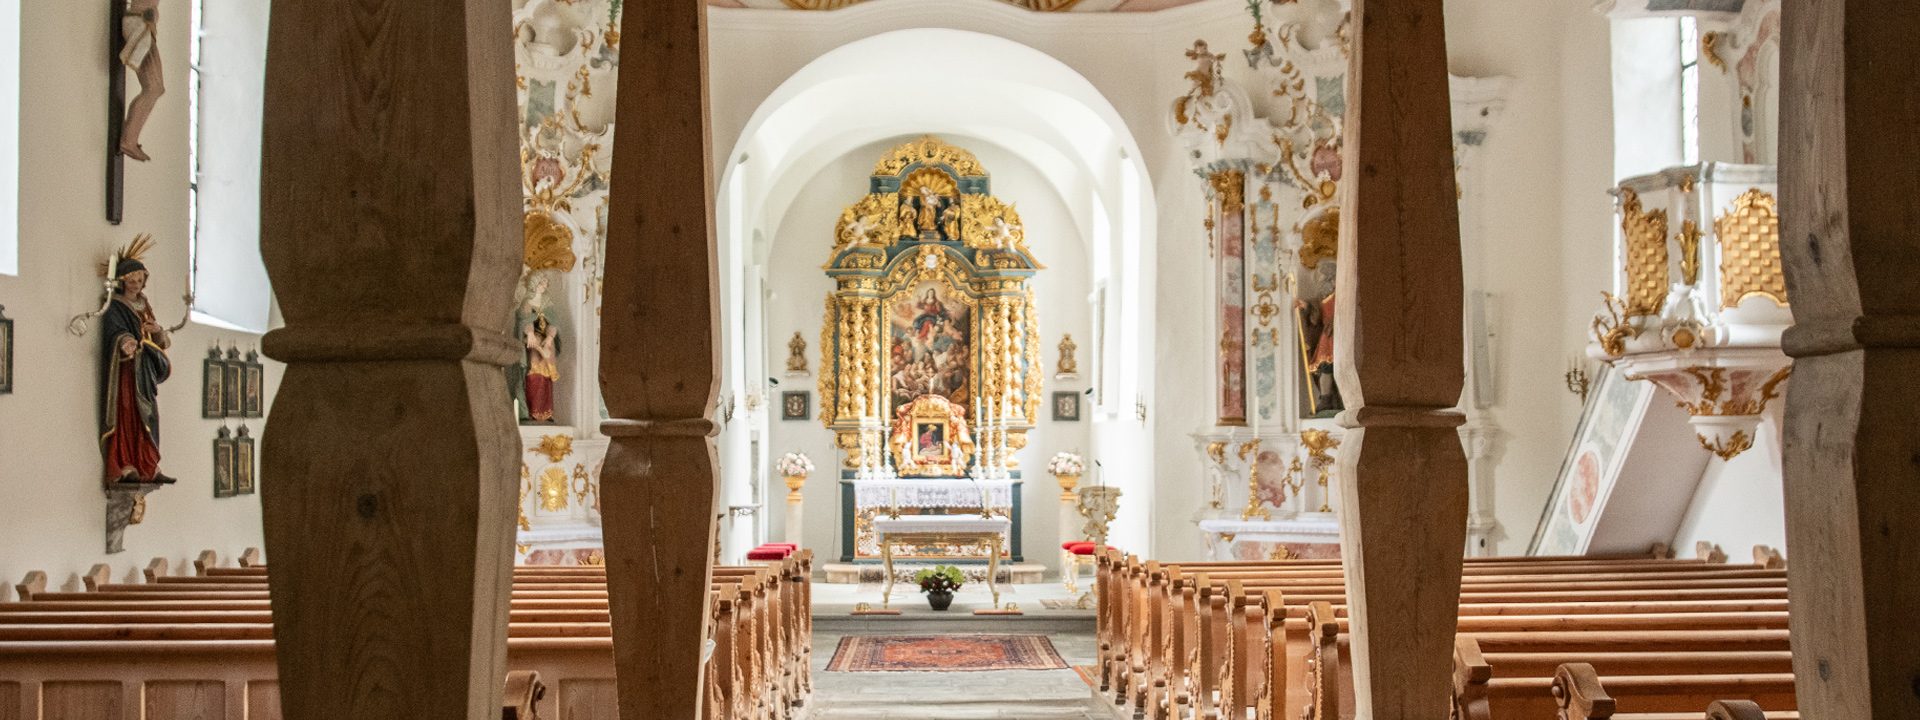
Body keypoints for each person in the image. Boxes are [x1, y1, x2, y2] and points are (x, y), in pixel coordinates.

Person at [100, 243, 173, 484]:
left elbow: (160, 342)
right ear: (122, 280)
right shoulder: (115, 304)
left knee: (149, 415)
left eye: (140, 279)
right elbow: (113, 332)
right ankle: (125, 465)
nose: (136, 284)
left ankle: (148, 465)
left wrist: (158, 330)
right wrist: (124, 341)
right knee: (128, 414)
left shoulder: (145, 304)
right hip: (127, 372)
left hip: (146, 371)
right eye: (131, 279)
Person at [524, 314, 559, 422]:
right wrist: (530, 333)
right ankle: (534, 413)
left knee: (545, 384)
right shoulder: (527, 304)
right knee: (534, 382)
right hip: (534, 359)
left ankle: (547, 414)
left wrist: (549, 338)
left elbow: (554, 323)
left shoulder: (549, 307)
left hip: (546, 361)